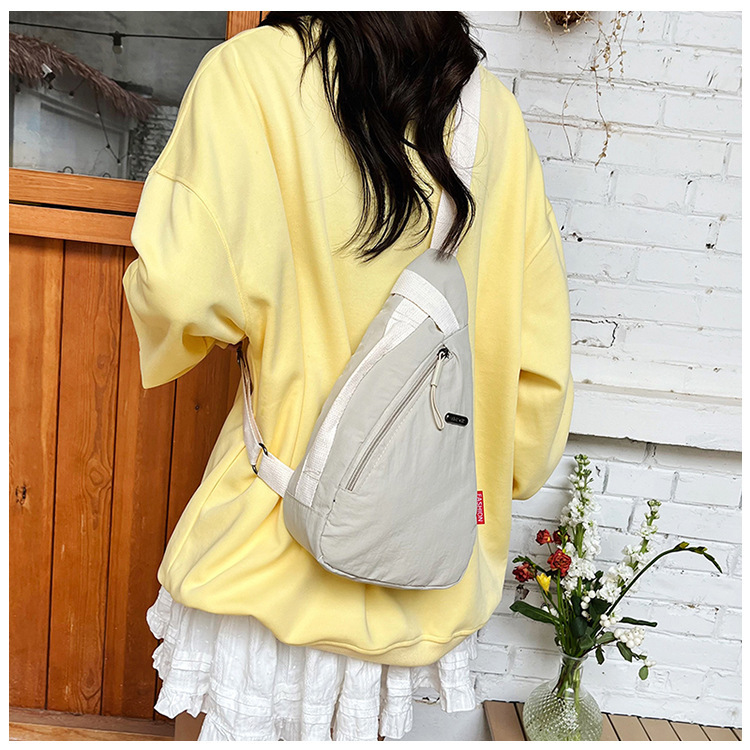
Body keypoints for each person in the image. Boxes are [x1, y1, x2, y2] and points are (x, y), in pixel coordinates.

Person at [123, 11, 574, 742]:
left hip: (269, 554)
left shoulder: (250, 76)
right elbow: (540, 380)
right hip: (424, 576)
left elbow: (177, 294)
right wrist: (486, 476)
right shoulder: (494, 115)